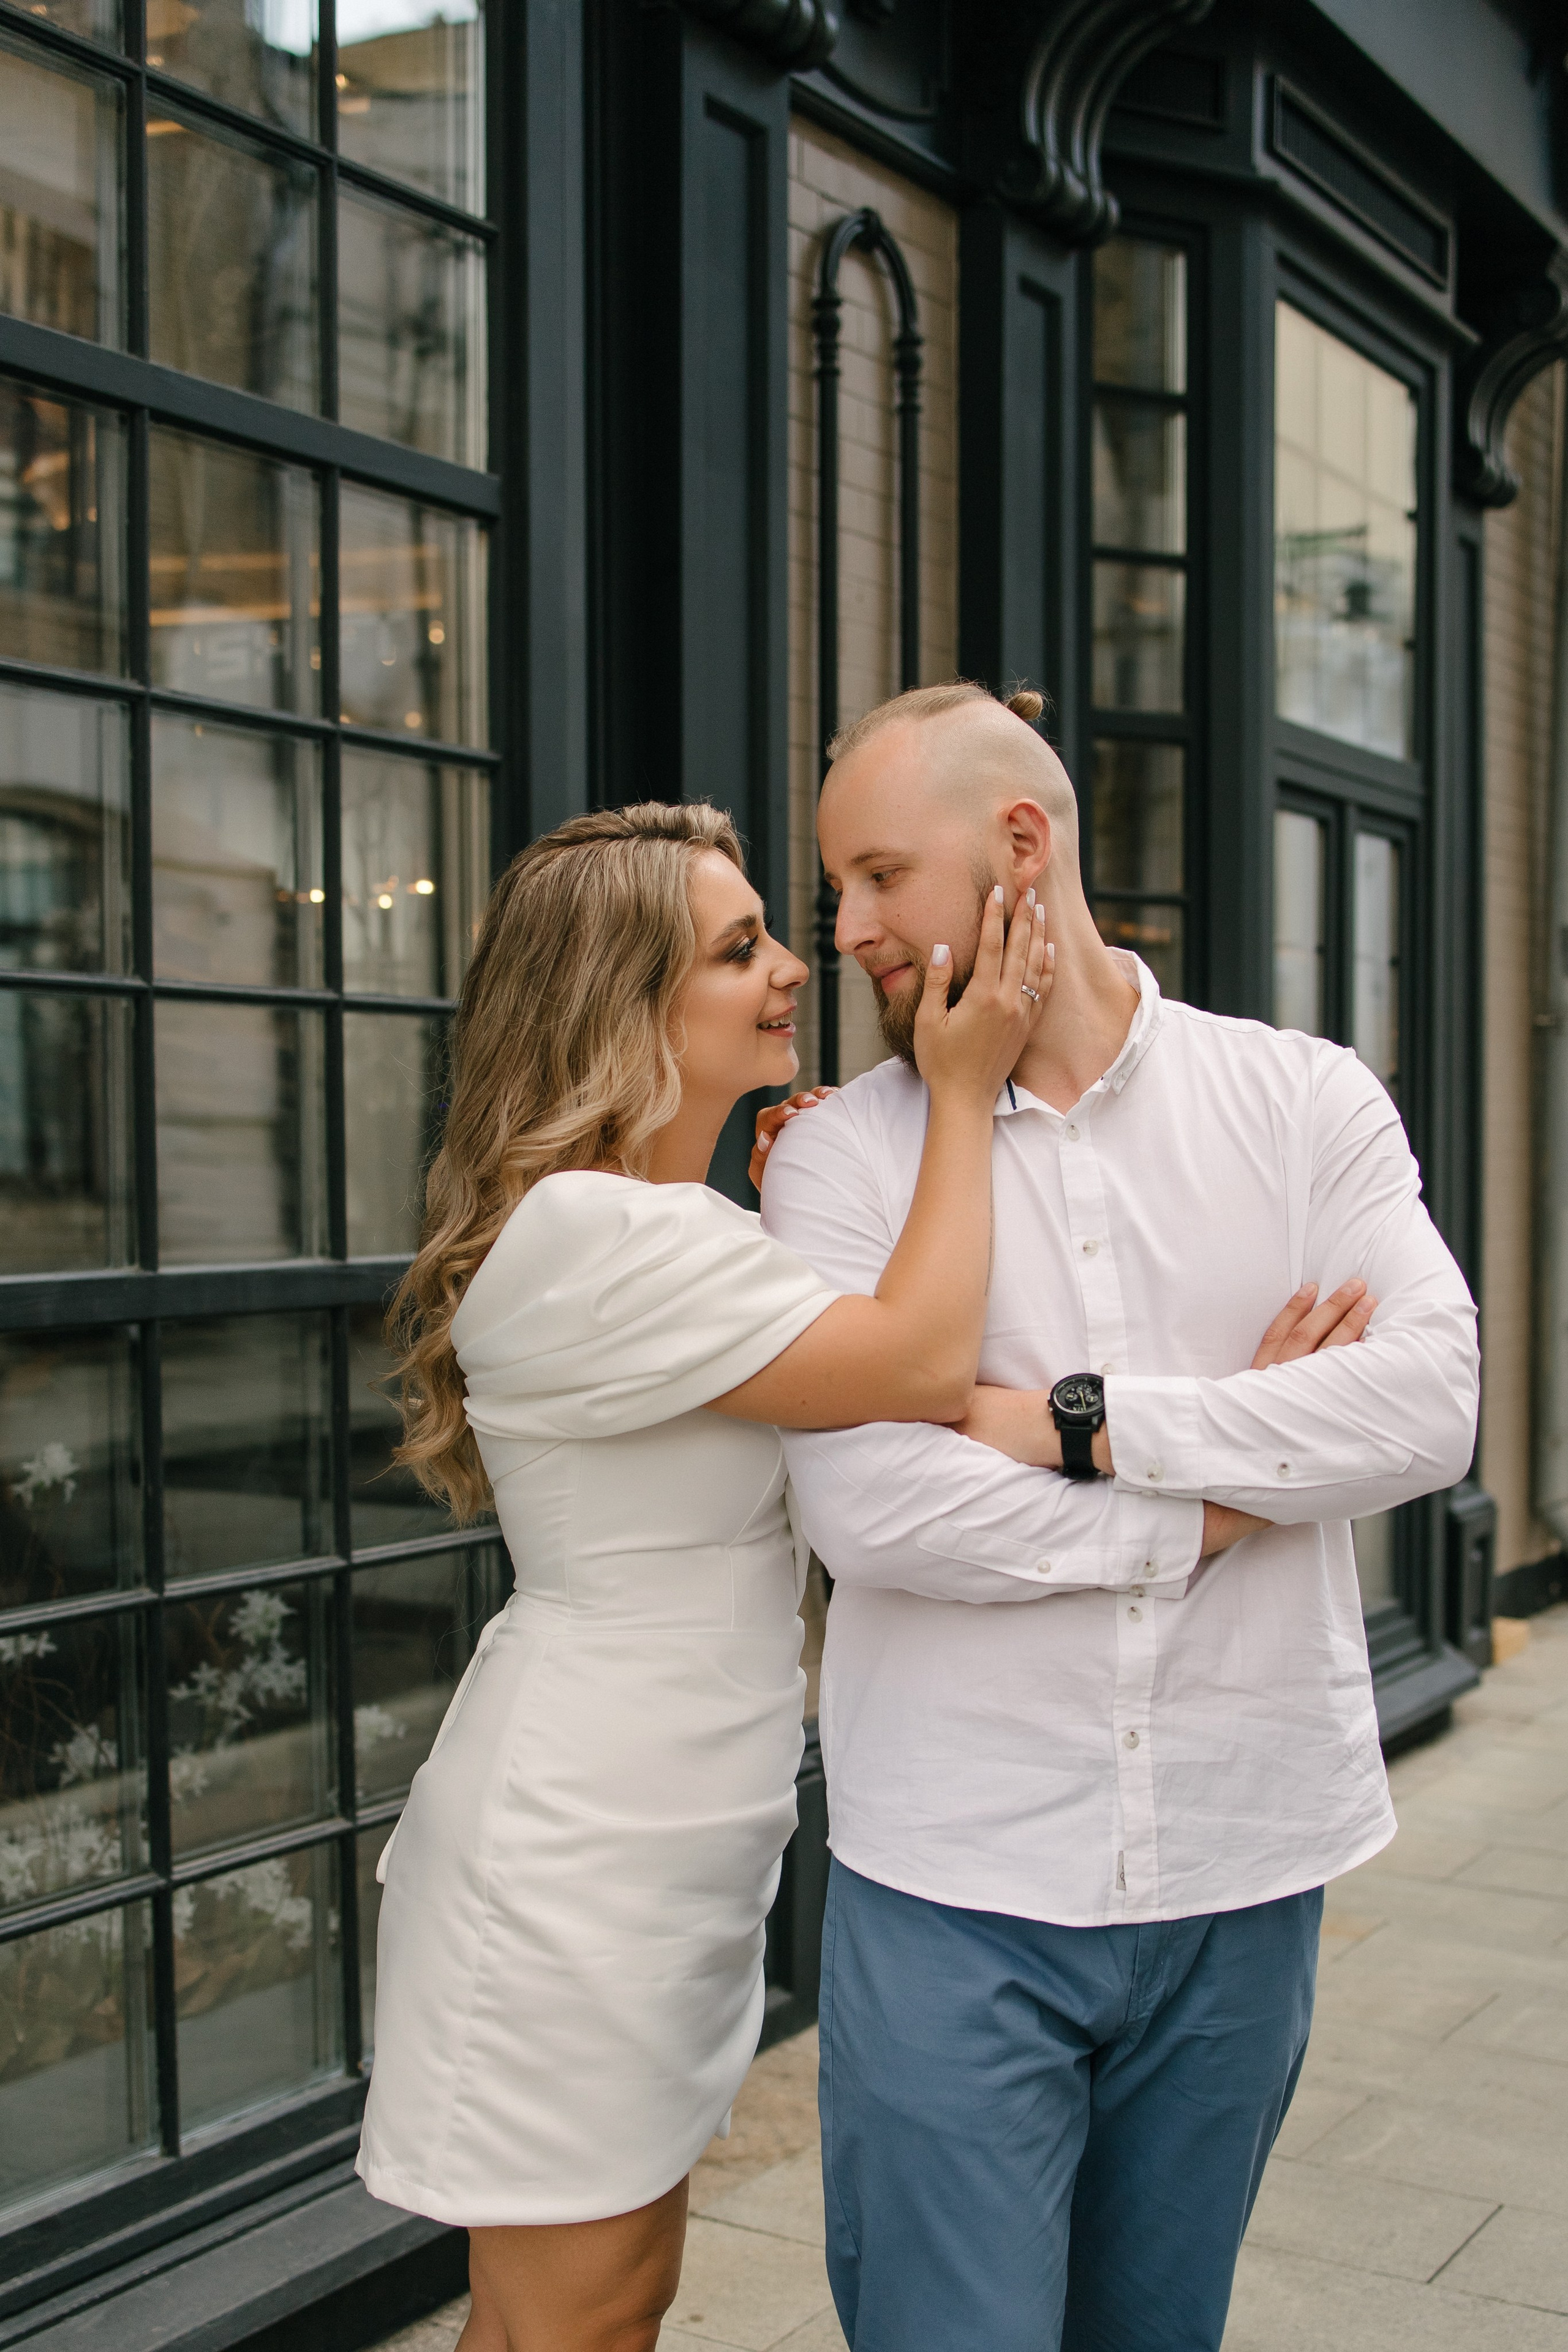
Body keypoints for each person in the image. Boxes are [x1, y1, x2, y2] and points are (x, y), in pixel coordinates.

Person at [759, 681, 1480, 2352]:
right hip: (958, 1878)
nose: (844, 931)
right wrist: (1232, 1494)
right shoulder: (842, 1165)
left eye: (878, 877)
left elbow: (1426, 1404)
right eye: (835, 891)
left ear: (1022, 845)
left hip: (1245, 1860)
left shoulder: (1300, 1101)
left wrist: (1068, 1424)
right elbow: (872, 1507)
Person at [355, 799, 1052, 2352]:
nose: (794, 967)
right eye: (740, 950)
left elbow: (917, 1384)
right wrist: (956, 1094)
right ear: (625, 1000)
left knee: (622, 2300)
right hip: (578, 1852)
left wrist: (1124, 1433)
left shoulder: (674, 1226)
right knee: (571, 2322)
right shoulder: (598, 1236)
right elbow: (925, 1358)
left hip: (667, 1832)